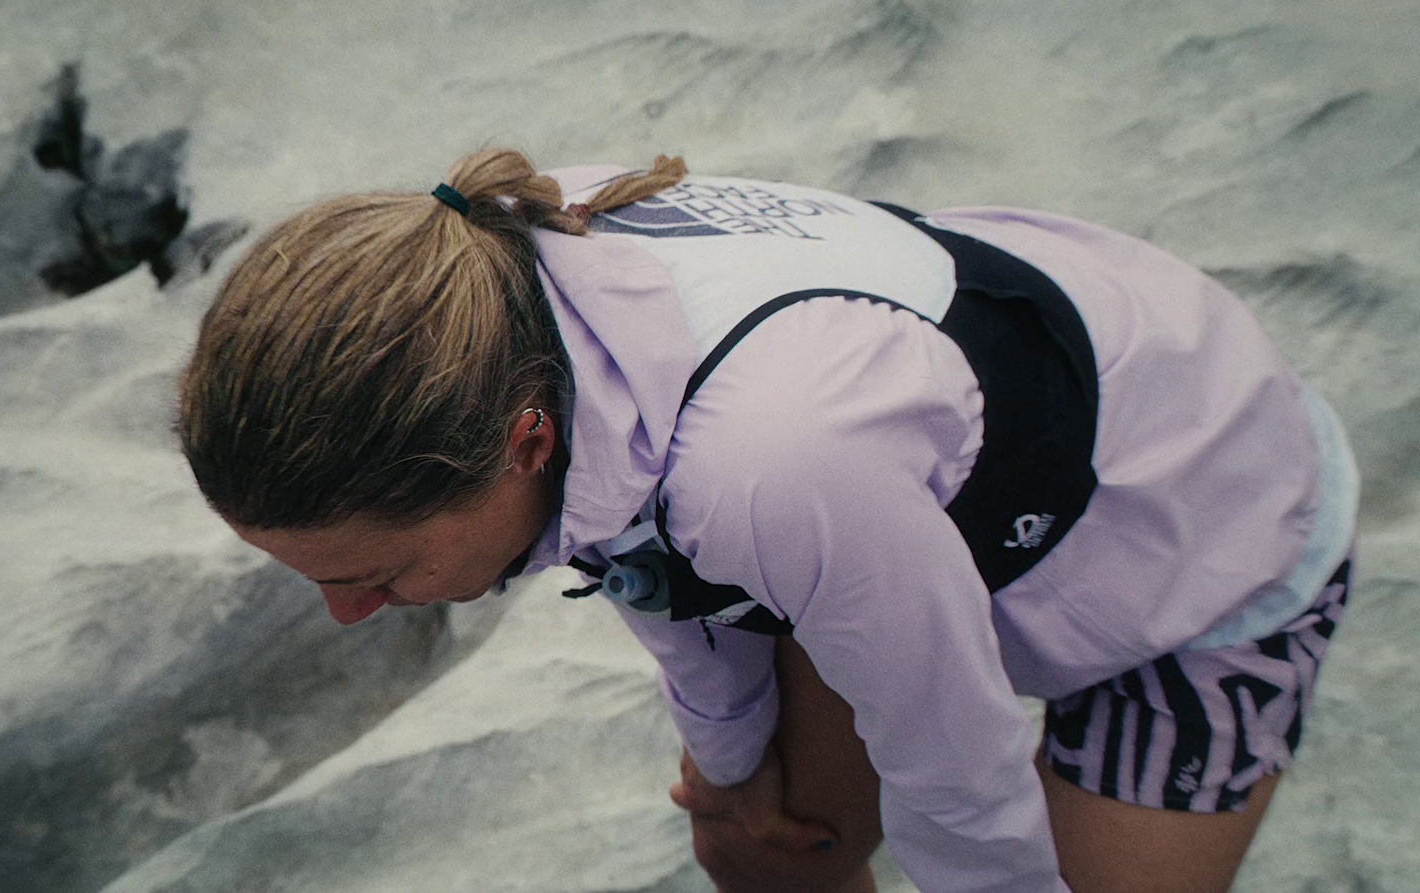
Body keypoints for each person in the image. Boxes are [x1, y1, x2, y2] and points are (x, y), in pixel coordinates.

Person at [176, 150, 1358, 893]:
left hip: (1193, 520)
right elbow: (643, 549)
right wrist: (731, 765)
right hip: (913, 492)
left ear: (523, 442)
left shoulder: (775, 462)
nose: (345, 612)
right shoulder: (486, 286)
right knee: (762, 841)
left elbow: (960, 770)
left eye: (376, 572)